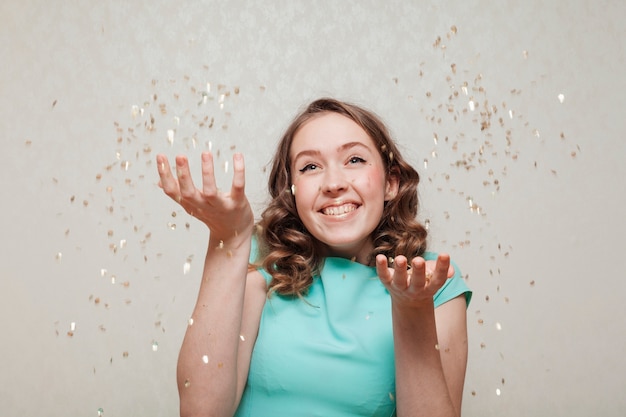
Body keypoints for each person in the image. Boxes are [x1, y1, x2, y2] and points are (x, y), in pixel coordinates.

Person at [156, 98, 471, 417]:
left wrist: (412, 308)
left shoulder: (434, 280)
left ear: (391, 183)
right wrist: (229, 240)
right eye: (310, 167)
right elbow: (201, 411)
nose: (334, 184)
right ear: (291, 191)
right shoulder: (263, 263)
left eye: (355, 160)